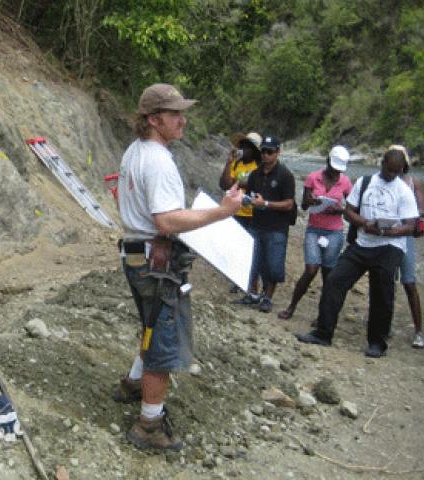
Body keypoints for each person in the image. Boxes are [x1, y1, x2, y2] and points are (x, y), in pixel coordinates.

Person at [114, 83, 243, 452]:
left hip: (138, 255)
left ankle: (134, 384)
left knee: (152, 326)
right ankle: (149, 425)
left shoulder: (136, 151)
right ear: (154, 119)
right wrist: (221, 212)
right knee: (163, 341)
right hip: (155, 262)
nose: (183, 120)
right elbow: (167, 221)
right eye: (175, 114)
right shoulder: (157, 160)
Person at [295, 147, 419, 357]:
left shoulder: (404, 191)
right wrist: (365, 223)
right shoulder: (365, 182)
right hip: (363, 242)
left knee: (382, 292)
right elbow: (349, 211)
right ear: (382, 164)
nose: (391, 175)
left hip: (390, 246)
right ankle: (323, 333)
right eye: (388, 170)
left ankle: (377, 343)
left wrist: (389, 231)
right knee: (335, 279)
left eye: (396, 172)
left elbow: (411, 226)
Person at [278, 146, 352, 320]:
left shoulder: (346, 182)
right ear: (328, 161)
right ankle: (292, 306)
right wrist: (312, 201)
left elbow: (352, 207)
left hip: (334, 231)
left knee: (329, 274)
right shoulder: (313, 177)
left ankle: (323, 316)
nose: (335, 172)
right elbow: (304, 205)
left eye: (338, 169)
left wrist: (339, 210)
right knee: (311, 269)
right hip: (314, 229)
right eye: (334, 167)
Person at [243, 136, 295, 313]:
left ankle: (267, 297)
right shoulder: (255, 174)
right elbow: (250, 196)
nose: (265, 155)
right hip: (256, 223)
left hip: (276, 227)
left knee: (273, 265)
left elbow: (289, 203)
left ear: (278, 152)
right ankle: (252, 293)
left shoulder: (285, 175)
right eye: (263, 151)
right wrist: (246, 201)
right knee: (252, 261)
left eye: (269, 151)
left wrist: (266, 204)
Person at [219, 131, 263, 299]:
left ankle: (253, 284)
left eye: (249, 147)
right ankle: (239, 280)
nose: (245, 149)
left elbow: (259, 186)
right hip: (236, 211)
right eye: (243, 145)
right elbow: (224, 184)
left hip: (253, 212)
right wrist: (228, 163)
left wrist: (244, 183)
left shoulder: (259, 166)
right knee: (237, 246)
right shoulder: (237, 164)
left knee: (252, 248)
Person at [390, 145, 424, 348]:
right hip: (386, 237)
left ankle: (419, 331)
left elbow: (421, 210)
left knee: (409, 282)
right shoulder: (381, 181)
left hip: (405, 238)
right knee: (387, 282)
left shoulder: (413, 183)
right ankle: (385, 324)